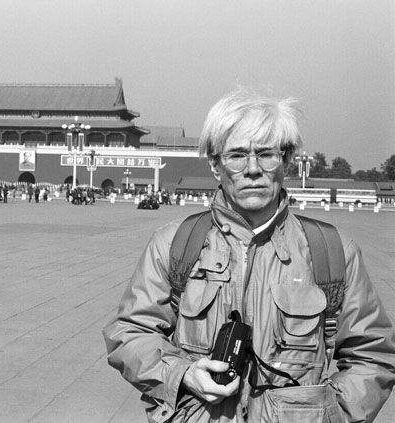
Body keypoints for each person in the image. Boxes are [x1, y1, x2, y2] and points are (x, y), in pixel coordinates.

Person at [102, 89, 395, 423]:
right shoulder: (176, 244)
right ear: (215, 164)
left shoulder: (331, 251)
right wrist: (181, 373)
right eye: (237, 155)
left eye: (266, 154)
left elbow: (373, 356)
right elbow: (129, 332)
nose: (252, 169)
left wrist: (328, 416)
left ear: (285, 160)